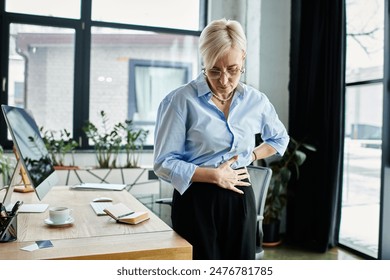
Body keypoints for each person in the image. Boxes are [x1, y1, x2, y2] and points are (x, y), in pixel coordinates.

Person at [153, 18, 289, 260]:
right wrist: (213, 175)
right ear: (203, 61)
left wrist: (252, 155)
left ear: (243, 58)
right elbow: (164, 162)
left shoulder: (256, 101)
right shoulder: (180, 101)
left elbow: (279, 139)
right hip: (196, 198)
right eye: (214, 70)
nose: (224, 80)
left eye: (233, 69)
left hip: (240, 196)